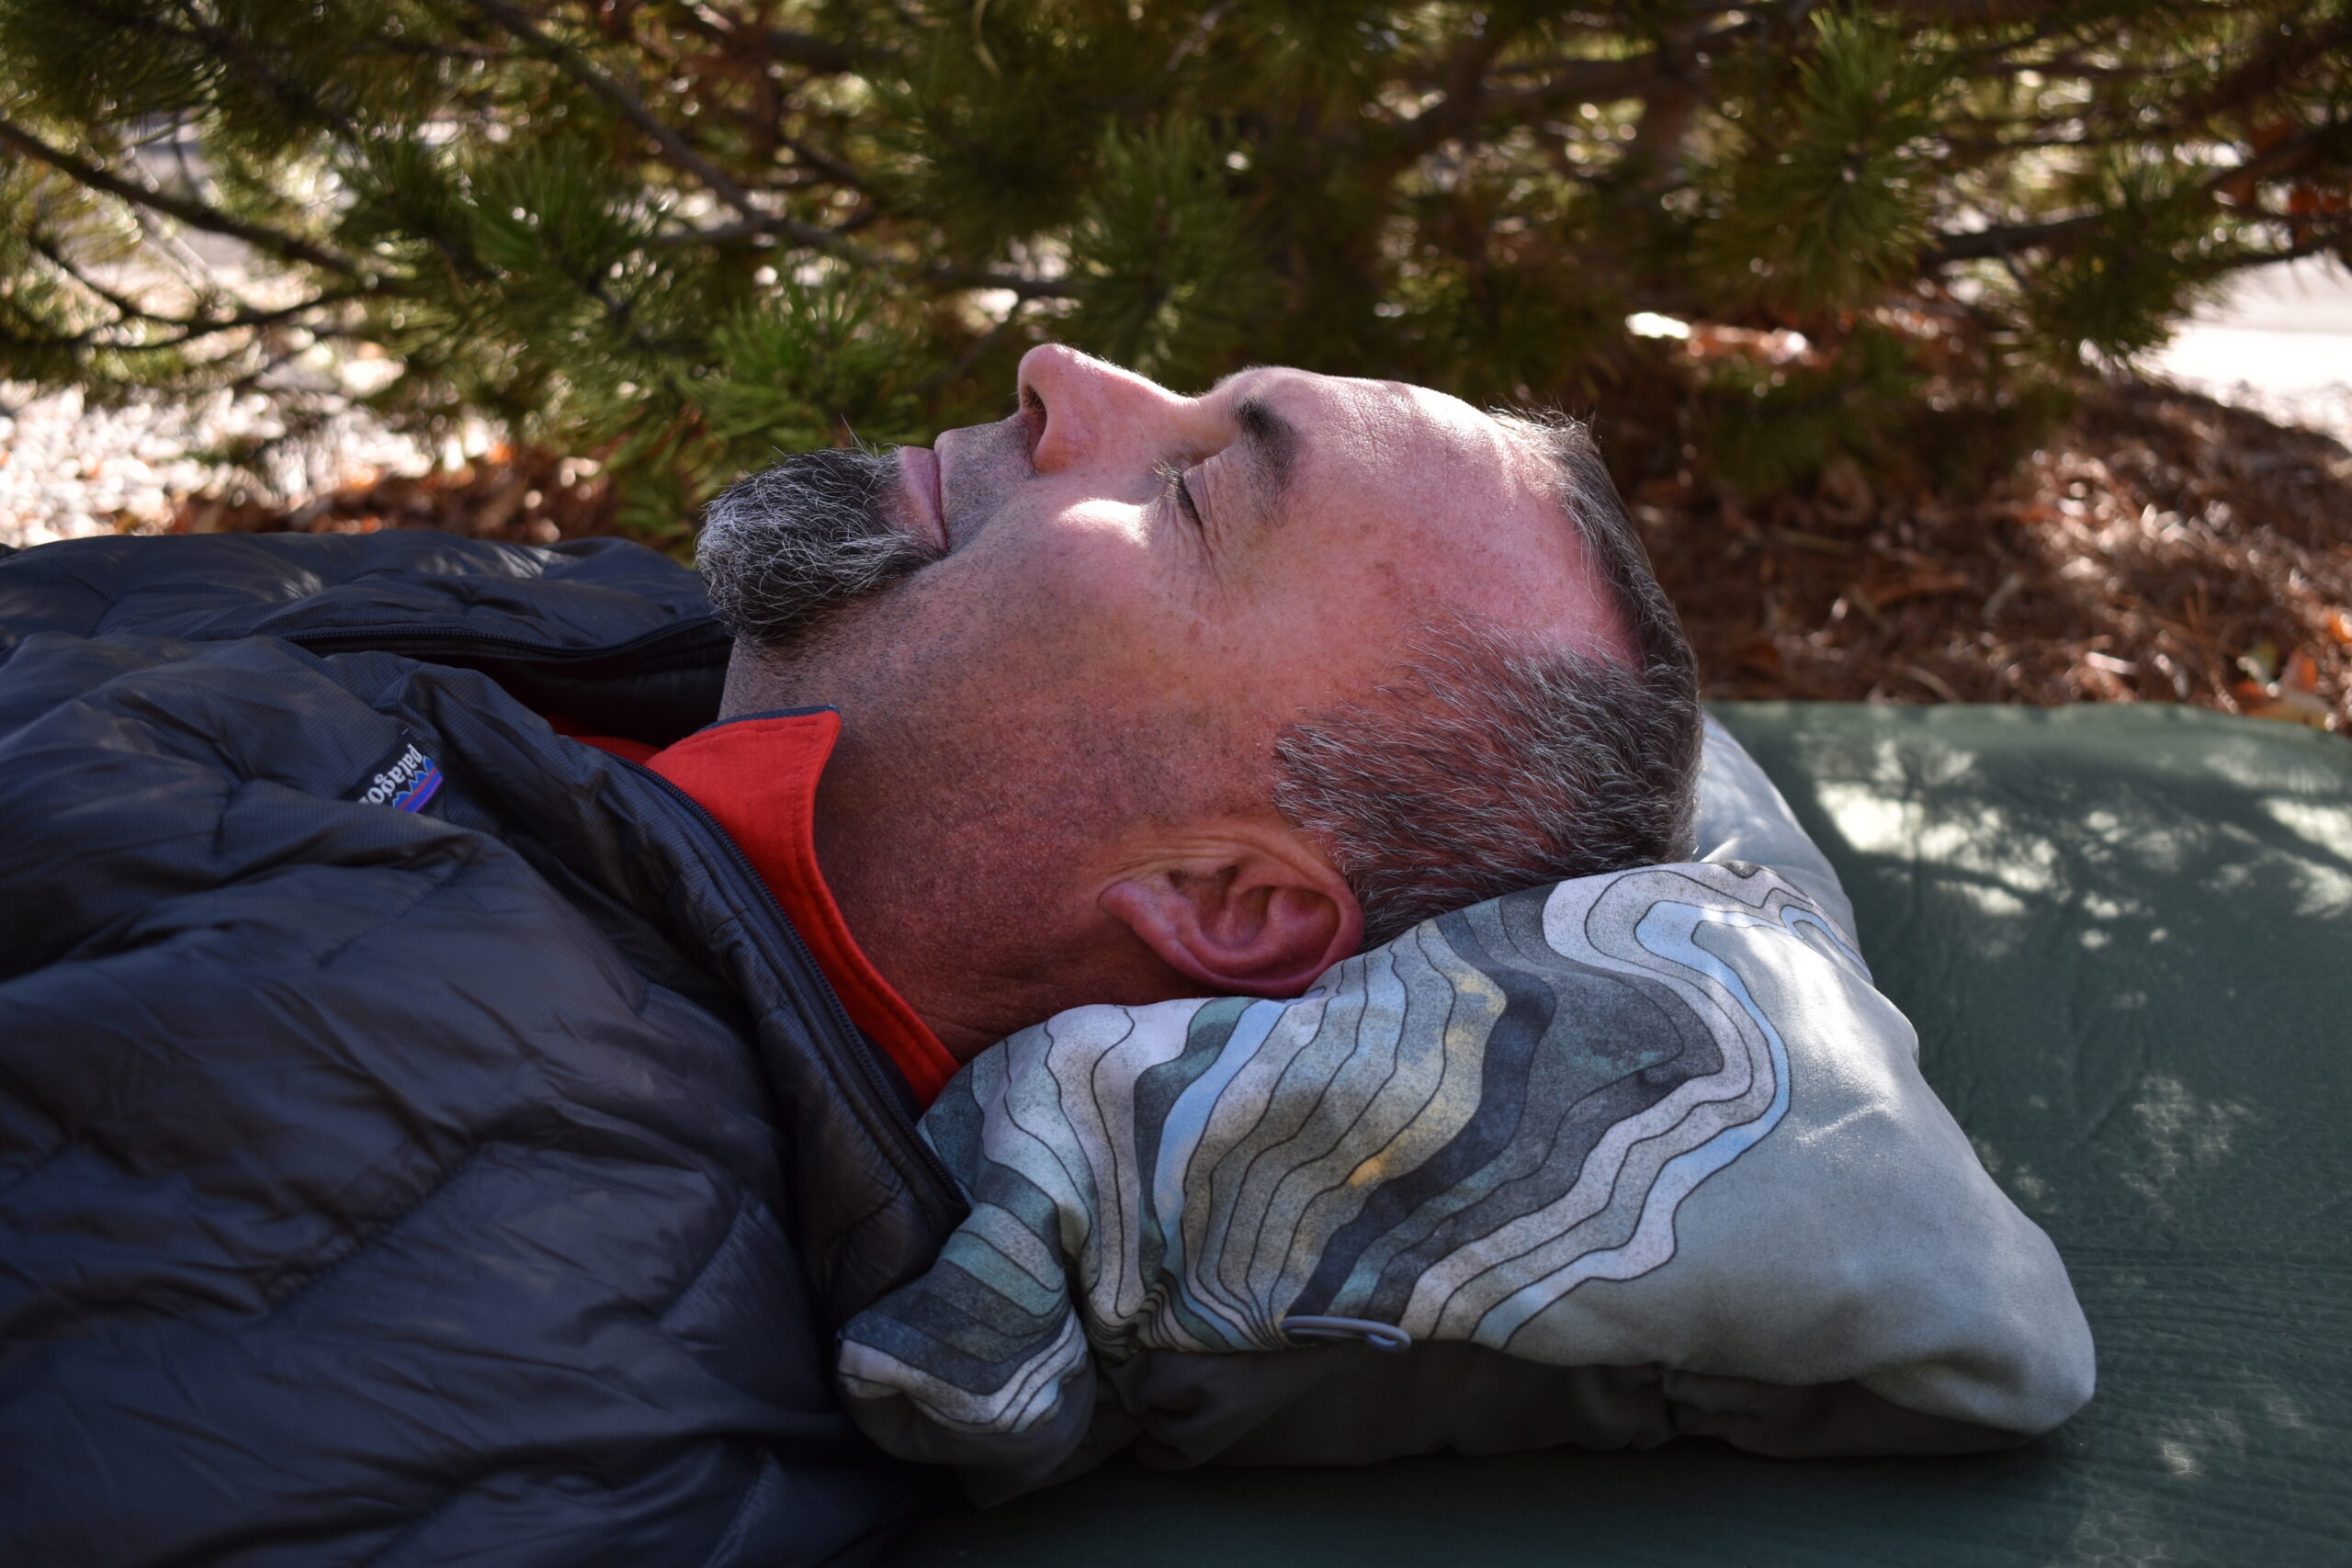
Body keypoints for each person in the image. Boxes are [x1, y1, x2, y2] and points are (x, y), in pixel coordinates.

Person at [0, 347, 1699, 1567]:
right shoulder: (638, 642)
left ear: (1225, 902)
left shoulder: (478, 1239)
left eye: (1187, 493)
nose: (1058, 374)